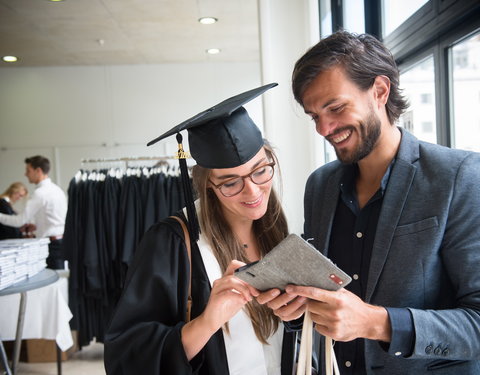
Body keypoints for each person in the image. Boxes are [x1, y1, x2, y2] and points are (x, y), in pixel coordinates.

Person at [259, 30, 480, 374]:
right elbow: (322, 297)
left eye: (335, 108)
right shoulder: (319, 186)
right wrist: (296, 305)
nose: (324, 128)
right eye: (314, 115)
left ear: (380, 90)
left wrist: (376, 323)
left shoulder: (459, 176)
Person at [104, 84, 297, 375]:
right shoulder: (171, 242)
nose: (253, 191)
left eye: (260, 170)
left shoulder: (276, 229)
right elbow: (126, 358)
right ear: (208, 184)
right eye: (231, 182)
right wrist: (208, 320)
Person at [0, 155, 68, 269]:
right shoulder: (57, 190)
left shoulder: (40, 193)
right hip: (60, 242)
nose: (25, 174)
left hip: (51, 246)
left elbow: (19, 221)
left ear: (38, 171)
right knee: (59, 280)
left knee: (52, 282)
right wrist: (36, 225)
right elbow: (56, 218)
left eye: (28, 170)